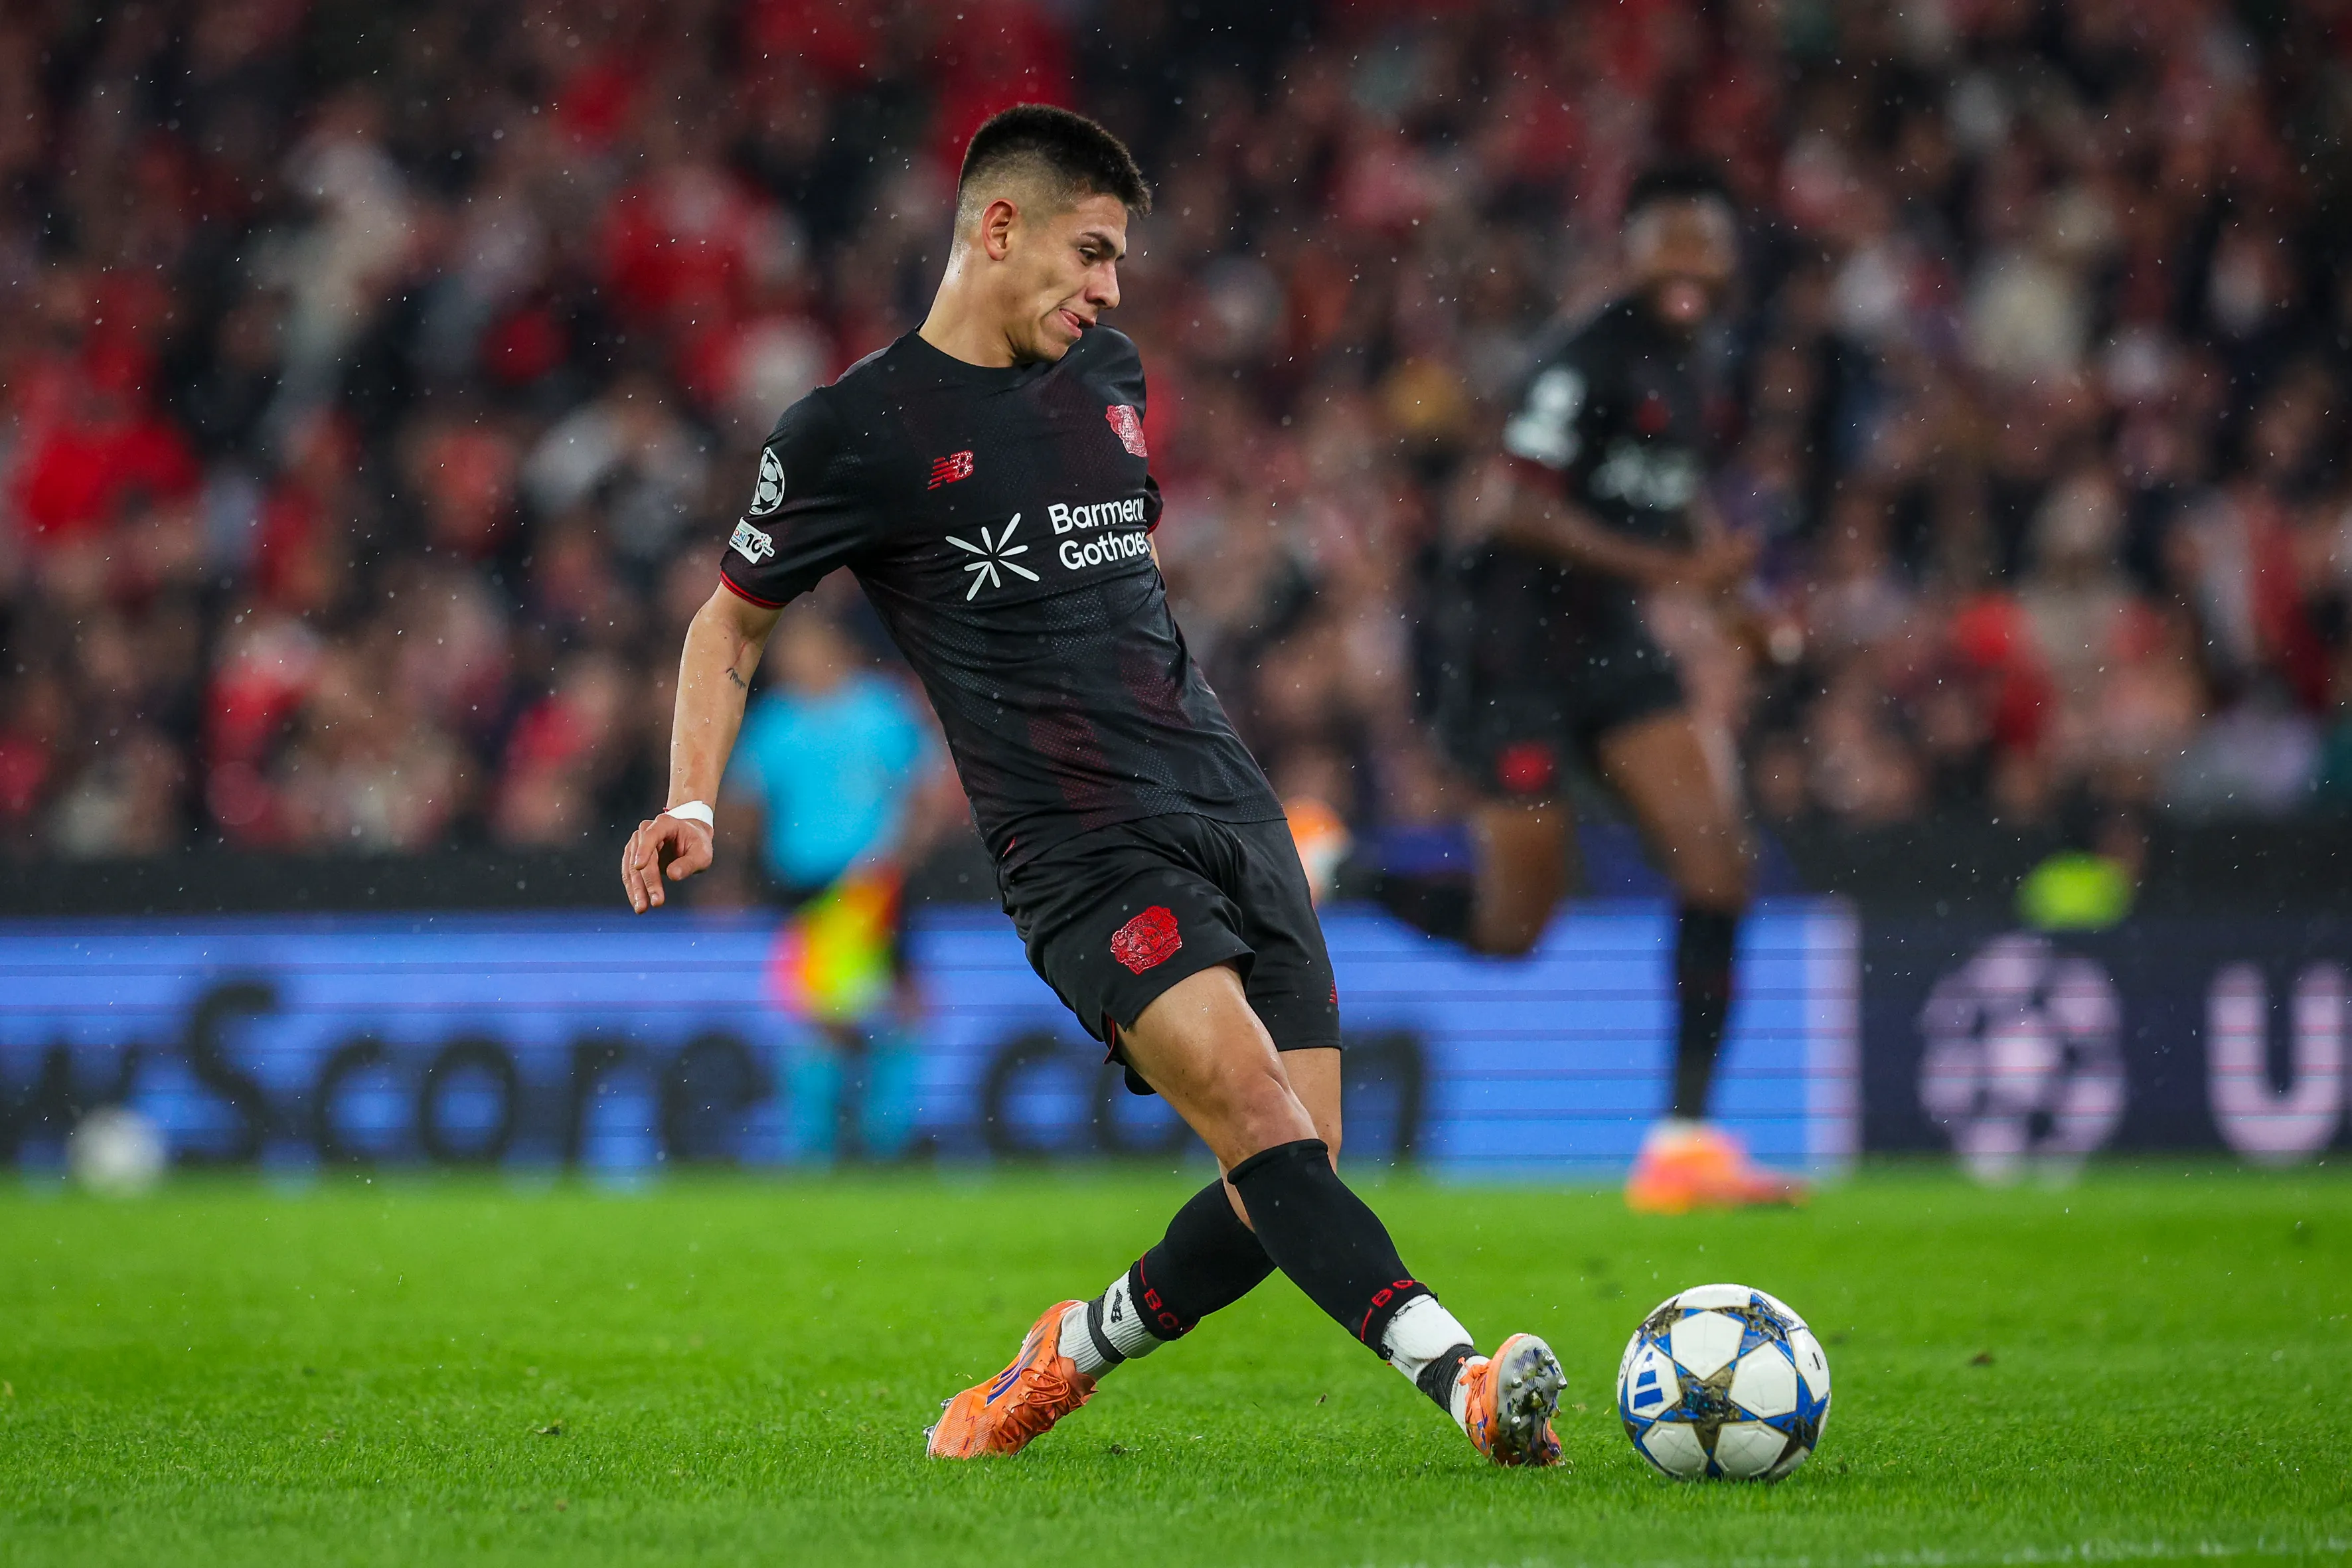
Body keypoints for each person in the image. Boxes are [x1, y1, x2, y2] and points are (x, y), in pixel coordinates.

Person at [621, 105, 1564, 1466]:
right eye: (1092, 251)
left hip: (1228, 806)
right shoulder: (852, 429)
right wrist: (693, 800)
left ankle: (1066, 1352)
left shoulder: (1112, 375)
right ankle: (1465, 1378)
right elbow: (730, 623)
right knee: (1257, 1118)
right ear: (997, 229)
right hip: (1078, 849)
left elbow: (1117, 599)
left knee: (1293, 1169)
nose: (1111, 289)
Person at [1354, 166, 1802, 1215]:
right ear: (1632, 254)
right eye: (1669, 245)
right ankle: (1340, 869)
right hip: (1509, 649)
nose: (1688, 267)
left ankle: (1682, 1144)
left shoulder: (1701, 366)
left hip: (1609, 642)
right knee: (1515, 932)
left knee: (1717, 862)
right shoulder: (1581, 356)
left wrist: (1736, 610)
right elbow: (1510, 506)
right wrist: (1677, 580)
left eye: (1705, 247)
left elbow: (1672, 497)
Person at [723, 606, 945, 1161]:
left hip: (874, 881)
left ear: (837, 649)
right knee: (832, 1014)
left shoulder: (879, 710)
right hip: (809, 884)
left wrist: (907, 848)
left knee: (891, 1005)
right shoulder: (777, 721)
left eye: (804, 647)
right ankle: (835, 1140)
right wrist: (728, 871)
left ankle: (870, 1135)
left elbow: (925, 790)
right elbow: (746, 806)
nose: (794, 660)